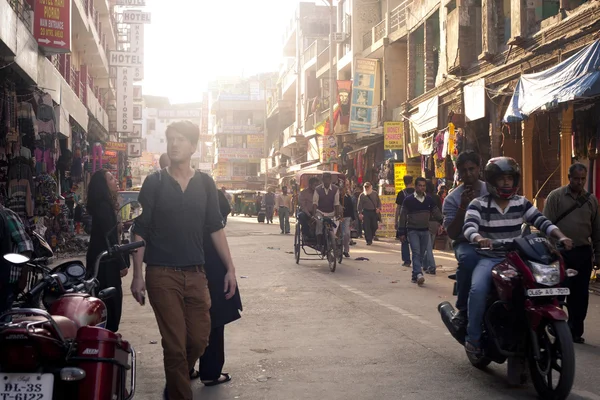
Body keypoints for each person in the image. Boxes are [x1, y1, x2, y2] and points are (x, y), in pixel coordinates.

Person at [130, 120, 238, 400]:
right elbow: (139, 229)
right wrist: (137, 275)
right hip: (161, 274)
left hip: (196, 274)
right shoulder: (154, 183)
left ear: (193, 146)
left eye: (181, 139)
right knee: (175, 345)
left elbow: (215, 227)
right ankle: (178, 392)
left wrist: (230, 269)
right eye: (171, 139)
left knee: (200, 338)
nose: (174, 144)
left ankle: (176, 379)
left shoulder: (205, 183)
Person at [463, 157, 572, 355]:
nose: (506, 182)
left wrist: (561, 236)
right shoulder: (478, 204)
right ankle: (474, 337)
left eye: (510, 178)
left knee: (539, 286)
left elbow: (541, 221)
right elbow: (469, 226)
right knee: (477, 289)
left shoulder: (521, 202)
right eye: (501, 178)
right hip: (490, 258)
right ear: (491, 181)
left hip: (518, 259)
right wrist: (479, 238)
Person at [190, 186, 242, 386]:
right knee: (213, 321)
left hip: (181, 268)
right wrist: (229, 268)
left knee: (187, 323)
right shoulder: (206, 193)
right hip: (208, 268)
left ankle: (185, 368)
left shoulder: (176, 192)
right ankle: (210, 372)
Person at [543, 162, 600, 344]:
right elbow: (546, 225)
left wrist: (597, 255)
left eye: (583, 179)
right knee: (558, 292)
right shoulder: (556, 197)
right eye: (576, 179)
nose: (580, 182)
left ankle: (575, 331)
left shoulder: (591, 200)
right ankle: (555, 326)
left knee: (580, 295)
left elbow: (597, 230)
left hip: (582, 253)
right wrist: (551, 250)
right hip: (560, 253)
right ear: (569, 178)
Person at [442, 150, 487, 328]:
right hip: (466, 243)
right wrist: (462, 207)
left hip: (494, 241)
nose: (468, 174)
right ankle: (463, 309)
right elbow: (452, 233)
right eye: (464, 170)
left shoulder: (491, 190)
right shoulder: (452, 198)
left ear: (479, 169)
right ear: (458, 172)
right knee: (469, 260)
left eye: (472, 169)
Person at [86, 169, 127, 332]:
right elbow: (109, 238)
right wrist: (121, 263)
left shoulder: (105, 205)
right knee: (110, 301)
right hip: (104, 262)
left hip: (102, 259)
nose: (115, 180)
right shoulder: (103, 206)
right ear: (103, 185)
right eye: (111, 178)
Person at [398, 177, 443, 285]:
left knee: (422, 253)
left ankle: (415, 275)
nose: (422, 188)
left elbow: (436, 212)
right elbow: (403, 217)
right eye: (420, 185)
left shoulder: (428, 200)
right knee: (416, 252)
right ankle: (419, 274)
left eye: (423, 186)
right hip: (412, 230)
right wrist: (401, 232)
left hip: (425, 231)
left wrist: (443, 222)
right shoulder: (408, 200)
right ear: (415, 186)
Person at [0, 205, 34, 313]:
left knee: (4, 317)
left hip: (7, 278)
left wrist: (24, 275)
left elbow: (25, 244)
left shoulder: (6, 215)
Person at [313, 172, 341, 247]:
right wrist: (314, 214)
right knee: (319, 223)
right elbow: (315, 203)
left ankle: (334, 239)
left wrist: (337, 214)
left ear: (330, 180)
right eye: (324, 180)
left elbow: (336, 203)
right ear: (322, 180)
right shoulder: (318, 189)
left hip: (331, 212)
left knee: (336, 223)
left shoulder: (335, 189)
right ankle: (319, 242)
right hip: (320, 212)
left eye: (327, 180)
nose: (326, 182)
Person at [423, 180, 443, 275]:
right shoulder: (437, 197)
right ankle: (425, 265)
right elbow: (440, 211)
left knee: (428, 247)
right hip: (435, 223)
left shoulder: (423, 197)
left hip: (426, 222)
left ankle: (432, 267)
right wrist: (440, 224)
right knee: (428, 245)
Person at [395, 175, 415, 267]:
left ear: (404, 182)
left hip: (403, 220)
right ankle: (417, 260)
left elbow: (398, 209)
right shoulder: (417, 192)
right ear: (412, 181)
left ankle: (407, 261)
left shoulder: (401, 193)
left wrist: (396, 221)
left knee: (404, 240)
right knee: (416, 241)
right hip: (416, 220)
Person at [341, 185, 355, 258]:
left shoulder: (348, 197)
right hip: (336, 217)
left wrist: (353, 218)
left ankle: (346, 250)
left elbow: (351, 208)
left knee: (346, 234)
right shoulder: (335, 196)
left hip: (346, 217)